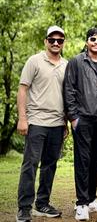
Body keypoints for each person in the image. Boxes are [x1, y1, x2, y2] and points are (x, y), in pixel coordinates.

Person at [63, 27, 97, 221]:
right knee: (83, 160)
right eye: (93, 39)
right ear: (87, 41)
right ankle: (81, 204)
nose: (96, 42)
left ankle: (92, 198)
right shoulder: (77, 62)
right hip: (83, 119)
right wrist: (74, 117)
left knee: (96, 160)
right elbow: (69, 89)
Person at [16, 26, 68, 222]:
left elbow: (67, 96)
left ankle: (42, 204)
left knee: (50, 165)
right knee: (30, 164)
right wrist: (23, 118)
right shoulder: (34, 61)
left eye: (60, 40)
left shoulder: (66, 64)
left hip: (57, 123)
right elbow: (23, 90)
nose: (56, 43)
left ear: (64, 43)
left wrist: (65, 123)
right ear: (46, 41)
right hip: (36, 121)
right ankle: (24, 208)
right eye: (52, 39)